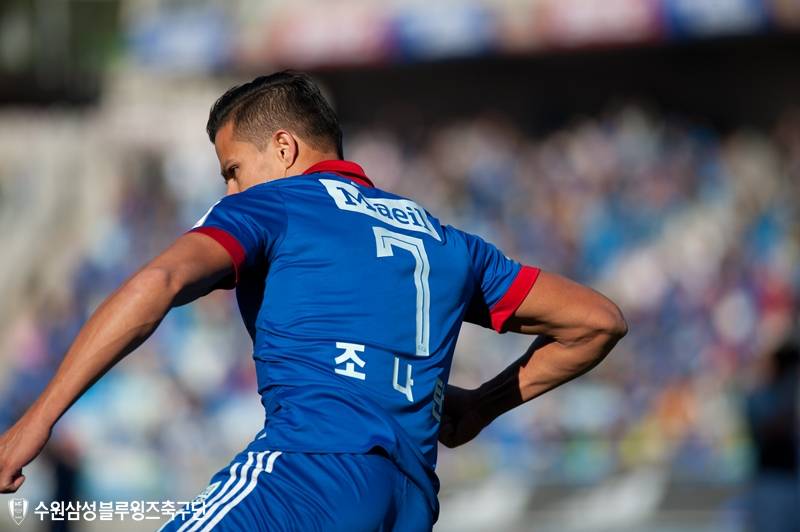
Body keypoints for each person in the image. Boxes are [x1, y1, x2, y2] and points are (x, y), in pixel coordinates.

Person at [0, 71, 627, 531]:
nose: (230, 189)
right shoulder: (447, 241)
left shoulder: (276, 204)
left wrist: (36, 420)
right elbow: (597, 322)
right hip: (409, 503)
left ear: (283, 148)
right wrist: (478, 411)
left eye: (232, 169)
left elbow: (157, 284)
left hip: (309, 475)